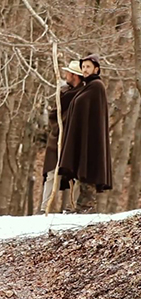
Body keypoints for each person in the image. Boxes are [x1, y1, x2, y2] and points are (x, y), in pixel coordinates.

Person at [59, 54, 112, 213]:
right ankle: (80, 205)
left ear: (96, 69)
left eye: (88, 67)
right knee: (82, 173)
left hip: (91, 140)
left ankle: (85, 206)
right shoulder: (88, 87)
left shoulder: (96, 86)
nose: (85, 70)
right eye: (83, 67)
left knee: (89, 173)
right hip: (84, 138)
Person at [39, 61, 84, 214]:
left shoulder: (83, 94)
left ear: (74, 75)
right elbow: (54, 114)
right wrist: (59, 128)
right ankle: (45, 208)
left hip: (74, 141)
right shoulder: (63, 92)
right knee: (52, 174)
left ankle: (73, 207)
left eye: (68, 73)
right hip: (57, 139)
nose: (66, 75)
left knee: (75, 175)